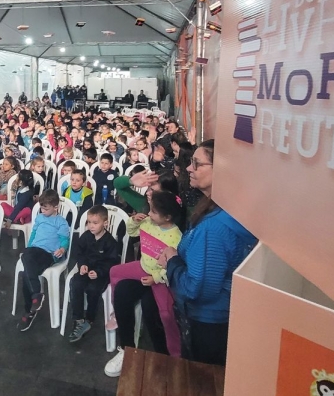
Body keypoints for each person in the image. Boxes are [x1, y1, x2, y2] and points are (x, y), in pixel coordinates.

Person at [157, 140, 257, 366]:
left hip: (208, 324)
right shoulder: (227, 208)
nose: (189, 168)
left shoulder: (214, 228)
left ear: (222, 170)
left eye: (197, 164)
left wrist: (172, 261)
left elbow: (197, 289)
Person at [104, 191, 185, 377]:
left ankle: (174, 356)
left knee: (166, 314)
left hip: (160, 278)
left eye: (154, 211)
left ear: (167, 217)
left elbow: (173, 266)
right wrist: (134, 221)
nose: (149, 213)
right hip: (142, 267)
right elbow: (131, 232)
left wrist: (155, 278)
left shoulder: (176, 237)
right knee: (115, 274)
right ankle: (124, 342)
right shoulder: (147, 222)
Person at [16, 189, 70, 331]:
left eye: (46, 208)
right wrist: (28, 248)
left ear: (55, 207)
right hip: (34, 250)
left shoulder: (61, 222)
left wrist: (62, 249)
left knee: (27, 271)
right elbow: (33, 234)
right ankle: (35, 298)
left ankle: (30, 308)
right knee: (27, 266)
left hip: (49, 253)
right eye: (41, 208)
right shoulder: (39, 218)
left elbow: (65, 239)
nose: (43, 211)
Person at [66, 205, 119, 343]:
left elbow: (112, 262)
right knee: (76, 283)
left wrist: (99, 272)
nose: (91, 226)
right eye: (89, 222)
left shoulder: (110, 242)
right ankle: (78, 319)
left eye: (95, 223)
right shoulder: (86, 236)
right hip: (86, 270)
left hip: (101, 274)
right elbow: (79, 253)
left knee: (93, 289)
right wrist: (82, 265)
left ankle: (89, 319)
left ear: (105, 223)